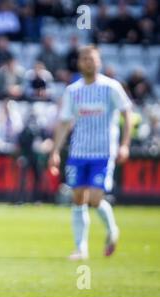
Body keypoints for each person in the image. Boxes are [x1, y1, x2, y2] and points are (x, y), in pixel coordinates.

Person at [48, 46, 132, 261]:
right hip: (78, 152)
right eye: (84, 58)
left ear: (99, 62)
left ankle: (112, 230)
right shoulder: (73, 90)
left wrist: (124, 144)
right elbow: (64, 122)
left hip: (103, 153)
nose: (88, 62)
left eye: (92, 59)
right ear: (79, 63)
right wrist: (55, 151)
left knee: (95, 198)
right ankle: (80, 249)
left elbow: (127, 113)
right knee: (77, 198)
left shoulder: (111, 87)